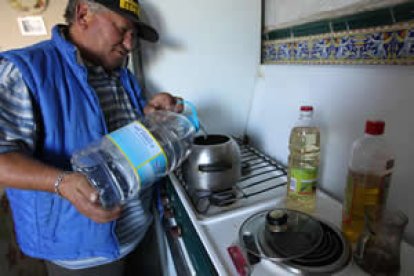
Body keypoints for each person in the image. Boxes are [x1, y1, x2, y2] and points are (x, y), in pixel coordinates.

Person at [0, 0, 181, 275]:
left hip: (140, 232)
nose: (130, 44)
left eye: (133, 35)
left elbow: (119, 144)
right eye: (123, 29)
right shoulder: (25, 70)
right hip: (83, 257)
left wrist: (152, 117)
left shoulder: (122, 77)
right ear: (83, 14)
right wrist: (62, 182)